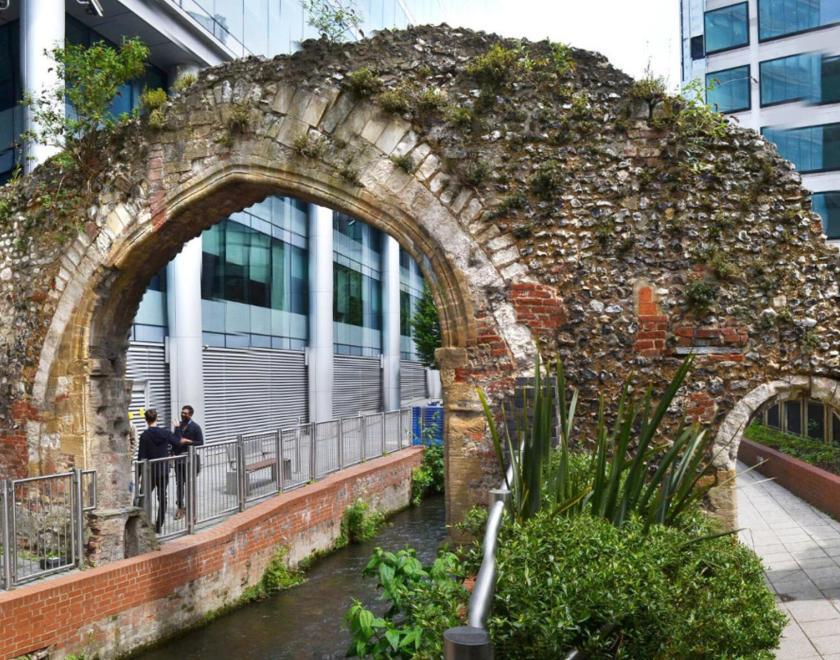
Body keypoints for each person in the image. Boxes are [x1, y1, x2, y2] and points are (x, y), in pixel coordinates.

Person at [137, 409, 192, 533]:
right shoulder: (165, 432)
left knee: (142, 496)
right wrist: (177, 428)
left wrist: (139, 475)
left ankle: (141, 524)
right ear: (157, 418)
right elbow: (177, 442)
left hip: (149, 471)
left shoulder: (144, 435)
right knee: (162, 497)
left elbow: (141, 456)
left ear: (146, 420)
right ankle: (158, 525)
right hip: (163, 470)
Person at [173, 404, 204, 520]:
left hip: (190, 460)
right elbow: (176, 440)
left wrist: (188, 441)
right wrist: (176, 429)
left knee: (190, 485)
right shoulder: (179, 425)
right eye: (182, 412)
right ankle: (180, 508)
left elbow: (200, 442)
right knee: (179, 485)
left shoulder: (196, 427)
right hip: (179, 460)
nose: (182, 414)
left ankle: (191, 510)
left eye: (185, 413)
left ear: (190, 415)